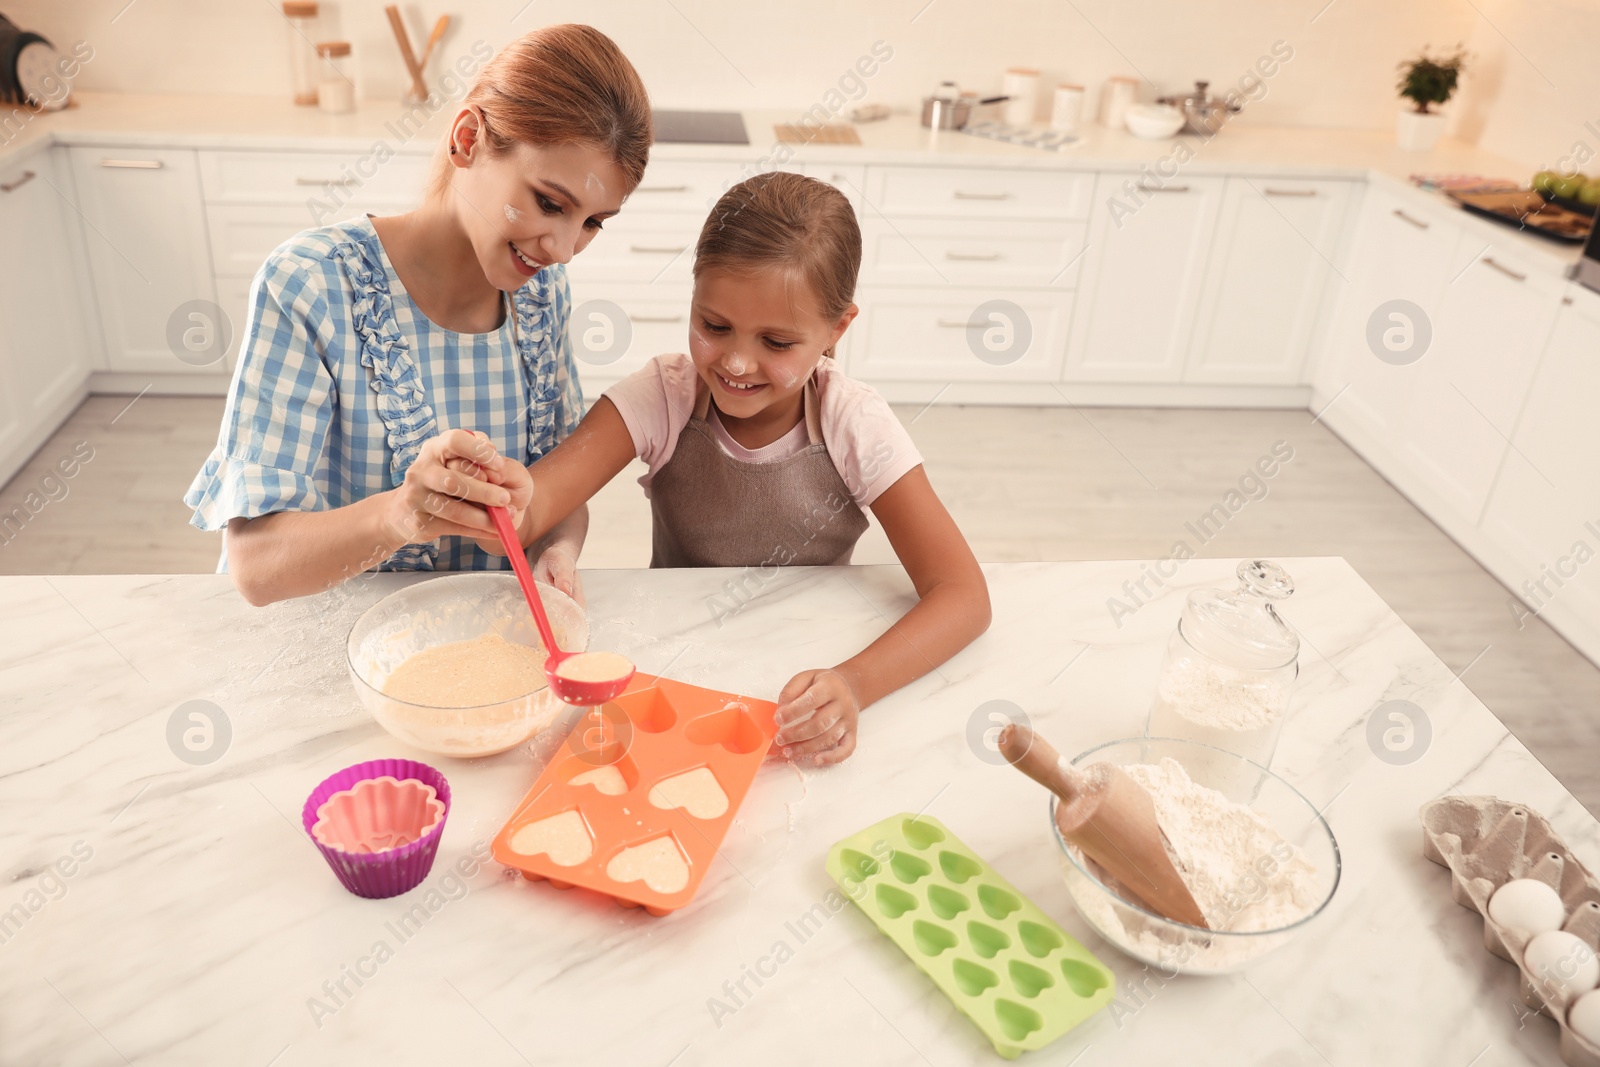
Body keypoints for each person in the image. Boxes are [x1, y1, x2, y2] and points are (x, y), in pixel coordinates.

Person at [498, 171, 992, 764]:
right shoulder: (666, 394)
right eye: (714, 326)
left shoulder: (852, 421)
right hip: (675, 669)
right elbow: (535, 503)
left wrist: (855, 685)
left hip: (804, 671)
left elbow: (963, 594)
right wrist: (493, 489)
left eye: (776, 343)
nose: (735, 362)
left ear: (837, 330)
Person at [184, 24, 650, 607]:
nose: (561, 247)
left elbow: (554, 490)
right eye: (549, 203)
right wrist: (405, 513)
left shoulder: (541, 293)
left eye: (591, 223)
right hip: (331, 640)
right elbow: (256, 567)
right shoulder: (311, 285)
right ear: (467, 139)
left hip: (471, 643)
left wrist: (556, 549)